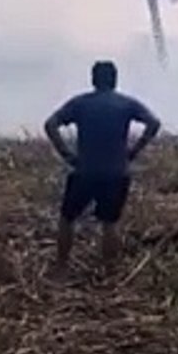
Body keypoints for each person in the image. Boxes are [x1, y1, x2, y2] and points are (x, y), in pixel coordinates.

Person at [44, 60, 161, 272]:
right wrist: (134, 152)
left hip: (85, 171)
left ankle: (62, 266)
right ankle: (108, 269)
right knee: (110, 223)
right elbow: (153, 123)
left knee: (67, 218)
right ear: (115, 80)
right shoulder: (126, 104)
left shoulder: (80, 103)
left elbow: (50, 124)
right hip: (116, 172)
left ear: (93, 80)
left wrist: (66, 154)